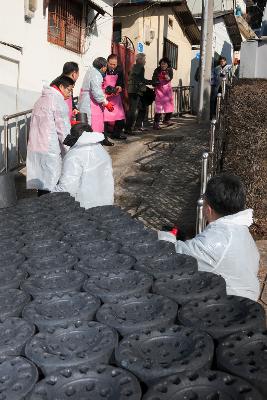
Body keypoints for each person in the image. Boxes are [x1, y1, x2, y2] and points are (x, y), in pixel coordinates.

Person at [158, 174, 260, 301]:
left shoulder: (216, 239)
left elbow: (174, 255)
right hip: (245, 299)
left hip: (230, 306)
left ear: (208, 209)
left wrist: (165, 235)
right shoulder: (240, 230)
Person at [52, 113, 114, 208]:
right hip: (105, 203)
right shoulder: (101, 151)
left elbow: (67, 188)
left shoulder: (74, 156)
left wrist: (51, 191)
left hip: (83, 206)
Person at [26, 75, 74, 196]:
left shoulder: (41, 99)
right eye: (69, 90)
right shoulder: (58, 101)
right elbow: (63, 130)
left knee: (42, 182)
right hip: (50, 149)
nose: (70, 94)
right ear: (61, 87)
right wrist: (71, 151)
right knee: (52, 184)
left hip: (36, 147)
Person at [78, 57, 114, 146]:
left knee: (88, 124)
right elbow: (96, 92)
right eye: (106, 67)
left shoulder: (90, 71)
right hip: (91, 103)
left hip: (87, 100)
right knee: (93, 125)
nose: (106, 69)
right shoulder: (96, 74)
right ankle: (94, 146)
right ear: (103, 67)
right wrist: (106, 103)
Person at [124, 53, 152, 135]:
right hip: (136, 91)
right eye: (144, 59)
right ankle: (128, 129)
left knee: (142, 107)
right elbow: (141, 79)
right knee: (132, 110)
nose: (145, 61)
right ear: (140, 60)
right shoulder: (140, 67)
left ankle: (137, 125)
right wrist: (151, 82)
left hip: (132, 90)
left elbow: (132, 76)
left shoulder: (134, 66)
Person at [103, 54, 126, 140]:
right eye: (111, 64)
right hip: (105, 96)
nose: (113, 66)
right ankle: (104, 137)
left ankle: (117, 133)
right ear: (107, 62)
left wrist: (119, 87)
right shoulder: (103, 69)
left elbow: (121, 82)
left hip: (115, 96)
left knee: (120, 116)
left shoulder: (119, 69)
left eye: (115, 64)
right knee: (104, 118)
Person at [152, 57, 174, 130]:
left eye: (165, 64)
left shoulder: (170, 70)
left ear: (168, 65)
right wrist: (155, 82)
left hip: (167, 90)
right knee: (159, 107)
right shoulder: (157, 70)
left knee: (170, 105)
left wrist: (167, 76)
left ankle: (166, 120)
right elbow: (154, 79)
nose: (163, 66)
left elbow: (170, 78)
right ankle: (156, 123)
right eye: (162, 64)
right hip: (159, 90)